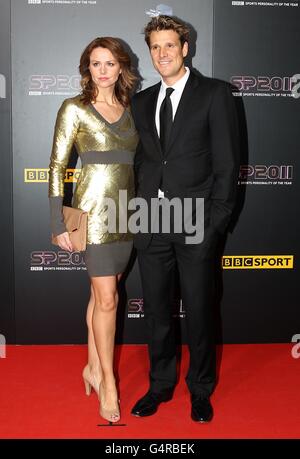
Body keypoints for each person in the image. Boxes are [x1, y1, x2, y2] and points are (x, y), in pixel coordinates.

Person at [130, 16, 239, 422]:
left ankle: (201, 389)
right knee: (157, 310)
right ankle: (160, 386)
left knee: (199, 310)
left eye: (169, 46)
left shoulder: (214, 94)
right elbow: (144, 162)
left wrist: (216, 224)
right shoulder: (141, 101)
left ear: (185, 47)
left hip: (196, 219)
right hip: (151, 218)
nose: (162, 54)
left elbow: (228, 165)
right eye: (155, 47)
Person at [48, 37, 138, 423]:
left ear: (121, 68)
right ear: (87, 68)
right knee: (107, 301)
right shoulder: (74, 108)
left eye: (110, 63)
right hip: (93, 216)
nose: (103, 70)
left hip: (128, 214)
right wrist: (58, 223)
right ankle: (109, 385)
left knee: (103, 293)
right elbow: (56, 167)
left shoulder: (132, 109)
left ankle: (90, 367)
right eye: (96, 63)